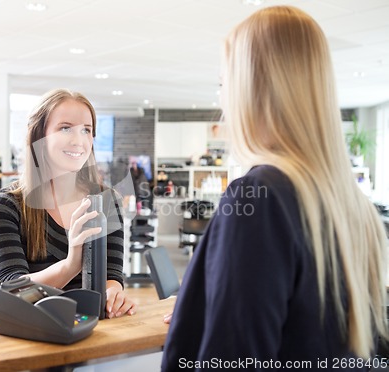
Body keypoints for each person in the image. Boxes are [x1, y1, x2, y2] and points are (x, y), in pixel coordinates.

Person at [162, 6, 387, 371]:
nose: (222, 101)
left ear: (250, 89)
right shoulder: (352, 204)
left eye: (224, 85)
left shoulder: (257, 197)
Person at [0, 89, 135, 319]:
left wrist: (114, 294)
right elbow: (10, 289)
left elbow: (112, 275)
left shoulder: (107, 200)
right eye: (65, 128)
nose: (78, 140)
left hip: (88, 331)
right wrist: (71, 264)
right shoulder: (6, 205)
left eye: (87, 130)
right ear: (39, 137)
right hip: (26, 334)